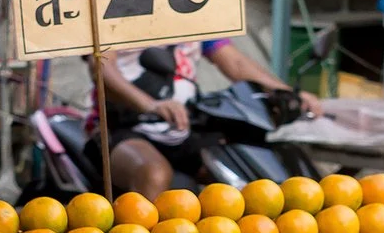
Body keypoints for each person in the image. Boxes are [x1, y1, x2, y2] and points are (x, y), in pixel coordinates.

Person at [93, 37, 323, 198]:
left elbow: (235, 62)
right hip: (124, 126)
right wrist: (150, 105)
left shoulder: (192, 11)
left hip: (186, 124)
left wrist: (286, 93)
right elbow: (102, 68)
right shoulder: (115, 10)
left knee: (245, 173)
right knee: (154, 173)